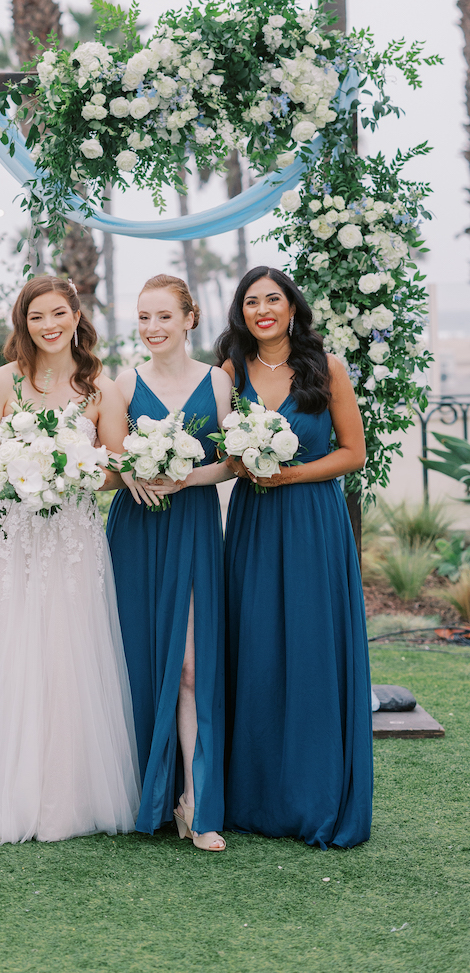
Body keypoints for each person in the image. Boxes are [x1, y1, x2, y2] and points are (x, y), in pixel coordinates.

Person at [0, 275, 140, 844]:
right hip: (15, 535)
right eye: (37, 316)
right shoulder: (1, 381)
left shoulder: (100, 388)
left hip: (74, 532)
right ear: (24, 323)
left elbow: (116, 468)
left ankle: (72, 796)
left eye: (58, 313)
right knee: (14, 648)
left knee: (70, 649)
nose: (49, 325)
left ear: (76, 316)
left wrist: (71, 468)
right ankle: (13, 796)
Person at [218, 266, 372, 849]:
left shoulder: (326, 367)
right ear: (242, 313)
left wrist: (293, 474)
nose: (262, 310)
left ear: (291, 309)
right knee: (256, 647)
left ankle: (313, 795)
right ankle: (256, 797)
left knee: (310, 649)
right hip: (256, 523)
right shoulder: (231, 372)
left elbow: (354, 452)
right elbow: (221, 449)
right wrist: (242, 465)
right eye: (252, 301)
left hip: (311, 522)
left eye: (273, 300)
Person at [107, 275, 232, 851]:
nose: (152, 328)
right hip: (137, 529)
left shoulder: (219, 382)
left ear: (190, 318)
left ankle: (194, 802)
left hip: (194, 523)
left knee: (188, 667)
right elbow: (109, 459)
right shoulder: (123, 385)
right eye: (143, 318)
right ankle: (143, 794)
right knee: (138, 658)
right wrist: (135, 469)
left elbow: (232, 463)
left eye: (163, 317)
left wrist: (188, 477)